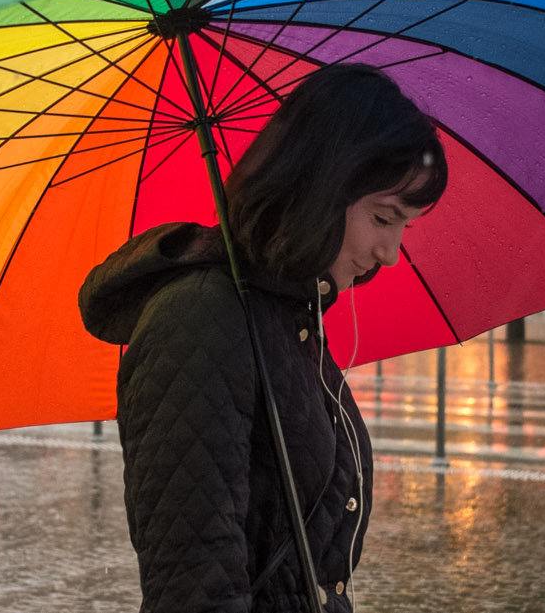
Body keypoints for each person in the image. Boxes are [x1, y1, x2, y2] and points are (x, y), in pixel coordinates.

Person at [79, 63, 447, 612]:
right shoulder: (200, 318)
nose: (390, 254)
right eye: (383, 218)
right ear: (324, 187)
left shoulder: (288, 314)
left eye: (403, 227)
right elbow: (194, 583)